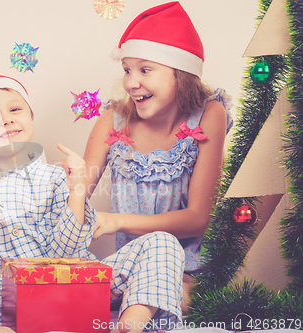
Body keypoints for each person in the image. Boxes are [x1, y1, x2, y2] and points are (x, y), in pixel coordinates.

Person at [0, 74, 185, 333]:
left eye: (15, 109)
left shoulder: (57, 177)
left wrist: (77, 192)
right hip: (1, 290)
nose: (6, 118)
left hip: (73, 282)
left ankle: (132, 321)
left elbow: (67, 254)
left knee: (161, 242)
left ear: (30, 118)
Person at [83, 1, 232, 314]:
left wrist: (114, 221)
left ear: (180, 73)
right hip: (128, 272)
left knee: (169, 305)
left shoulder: (209, 115)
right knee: (67, 301)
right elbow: (76, 197)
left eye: (145, 70)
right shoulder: (113, 120)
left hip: (185, 275)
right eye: (126, 70)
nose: (130, 82)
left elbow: (197, 218)